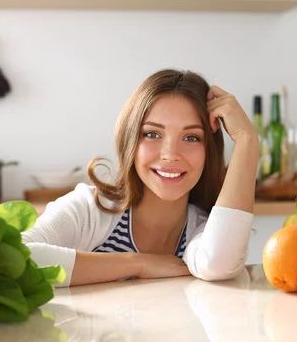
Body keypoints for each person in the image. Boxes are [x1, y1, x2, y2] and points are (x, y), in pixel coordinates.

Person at [22, 69, 259, 287]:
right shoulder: (90, 209)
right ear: (130, 140)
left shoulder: (204, 229)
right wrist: (139, 263)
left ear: (209, 151)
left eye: (191, 138)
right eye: (152, 133)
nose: (170, 155)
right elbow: (16, 257)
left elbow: (217, 264)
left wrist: (247, 140)